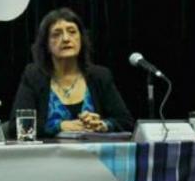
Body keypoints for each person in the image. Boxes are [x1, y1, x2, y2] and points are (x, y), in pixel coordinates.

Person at [9, 7, 133, 137]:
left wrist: (103, 125)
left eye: (72, 32)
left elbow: (126, 122)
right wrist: (60, 126)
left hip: (92, 150)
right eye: (56, 34)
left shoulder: (100, 76)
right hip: (50, 150)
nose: (66, 39)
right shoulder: (34, 76)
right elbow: (15, 126)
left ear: (81, 39)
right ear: (46, 45)